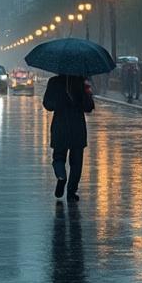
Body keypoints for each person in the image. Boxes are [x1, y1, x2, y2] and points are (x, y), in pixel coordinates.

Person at [42, 73, 95, 202]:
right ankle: (71, 192)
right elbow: (88, 107)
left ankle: (61, 176)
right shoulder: (81, 82)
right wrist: (87, 91)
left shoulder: (54, 82)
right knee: (76, 162)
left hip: (60, 125)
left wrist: (58, 102)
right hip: (77, 126)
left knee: (58, 157)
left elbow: (47, 105)